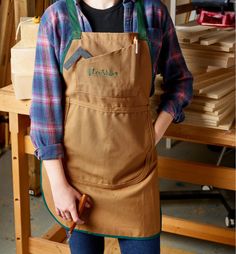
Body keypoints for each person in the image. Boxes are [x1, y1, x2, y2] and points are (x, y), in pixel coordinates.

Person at [30, 0, 193, 253]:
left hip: (136, 178)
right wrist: (59, 185)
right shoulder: (57, 18)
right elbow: (44, 110)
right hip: (76, 180)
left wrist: (155, 132)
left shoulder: (152, 13)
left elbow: (181, 82)